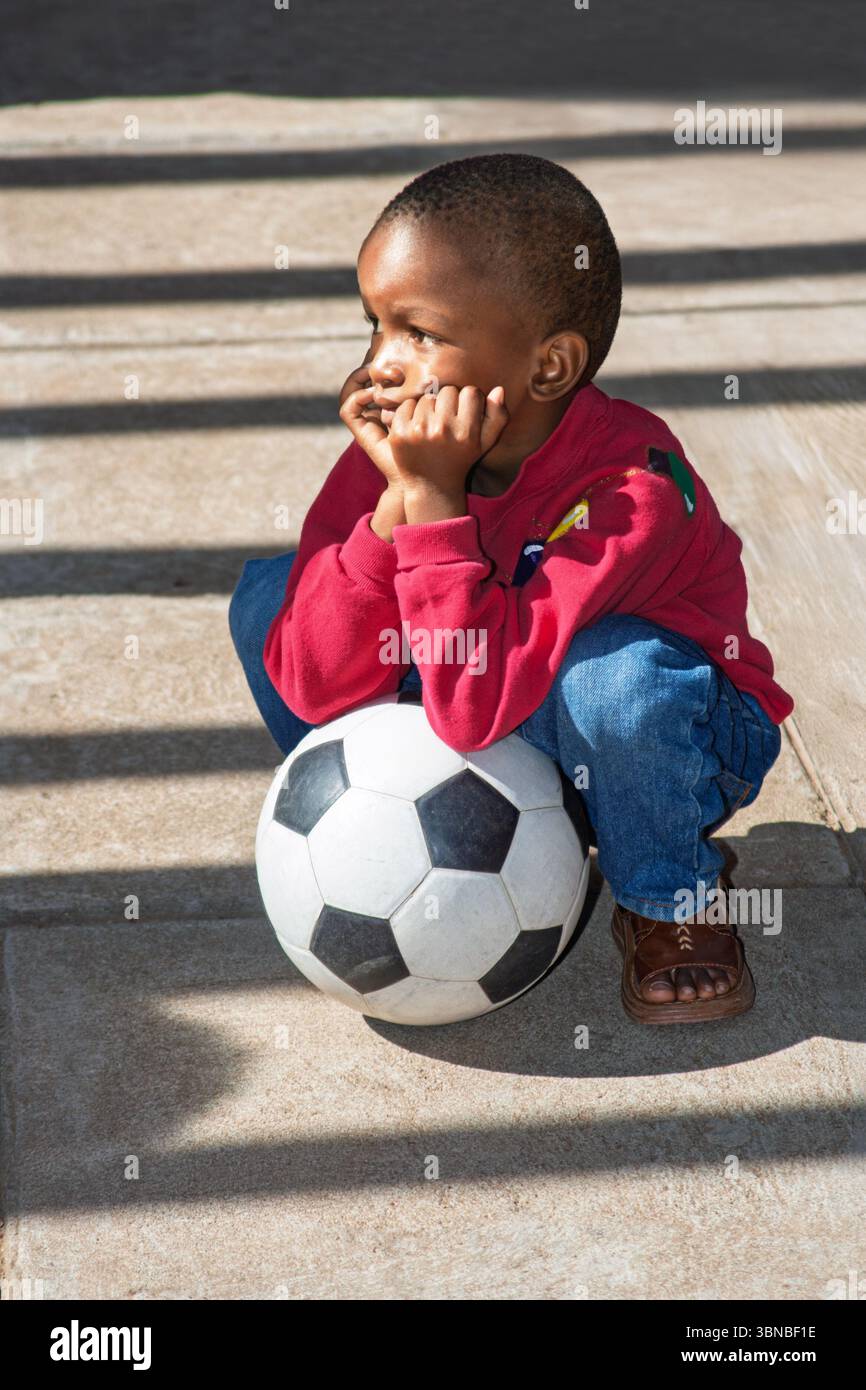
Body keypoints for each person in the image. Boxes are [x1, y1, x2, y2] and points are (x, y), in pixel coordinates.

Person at [229, 153, 793, 1025]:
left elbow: (476, 708)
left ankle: (667, 897)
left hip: (667, 739)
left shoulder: (633, 492)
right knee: (273, 603)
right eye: (373, 324)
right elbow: (306, 686)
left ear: (549, 368)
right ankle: (406, 809)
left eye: (419, 333)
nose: (380, 364)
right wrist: (391, 513)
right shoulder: (390, 452)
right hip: (489, 685)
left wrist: (435, 508)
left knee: (615, 679)